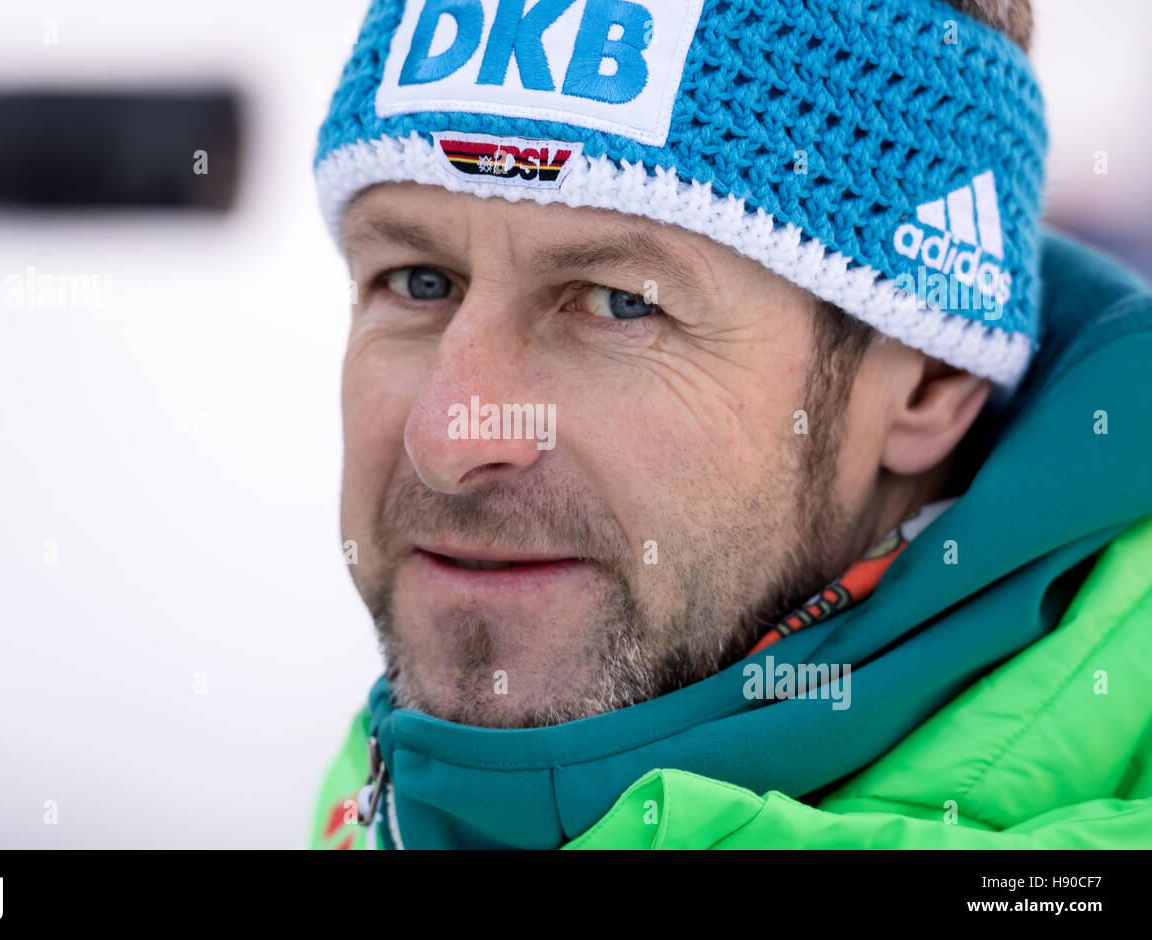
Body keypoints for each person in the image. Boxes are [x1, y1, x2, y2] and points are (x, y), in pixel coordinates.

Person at [308, 0, 1152, 849]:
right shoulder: (395, 794)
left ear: (929, 378)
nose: (450, 439)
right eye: (418, 281)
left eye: (620, 303)